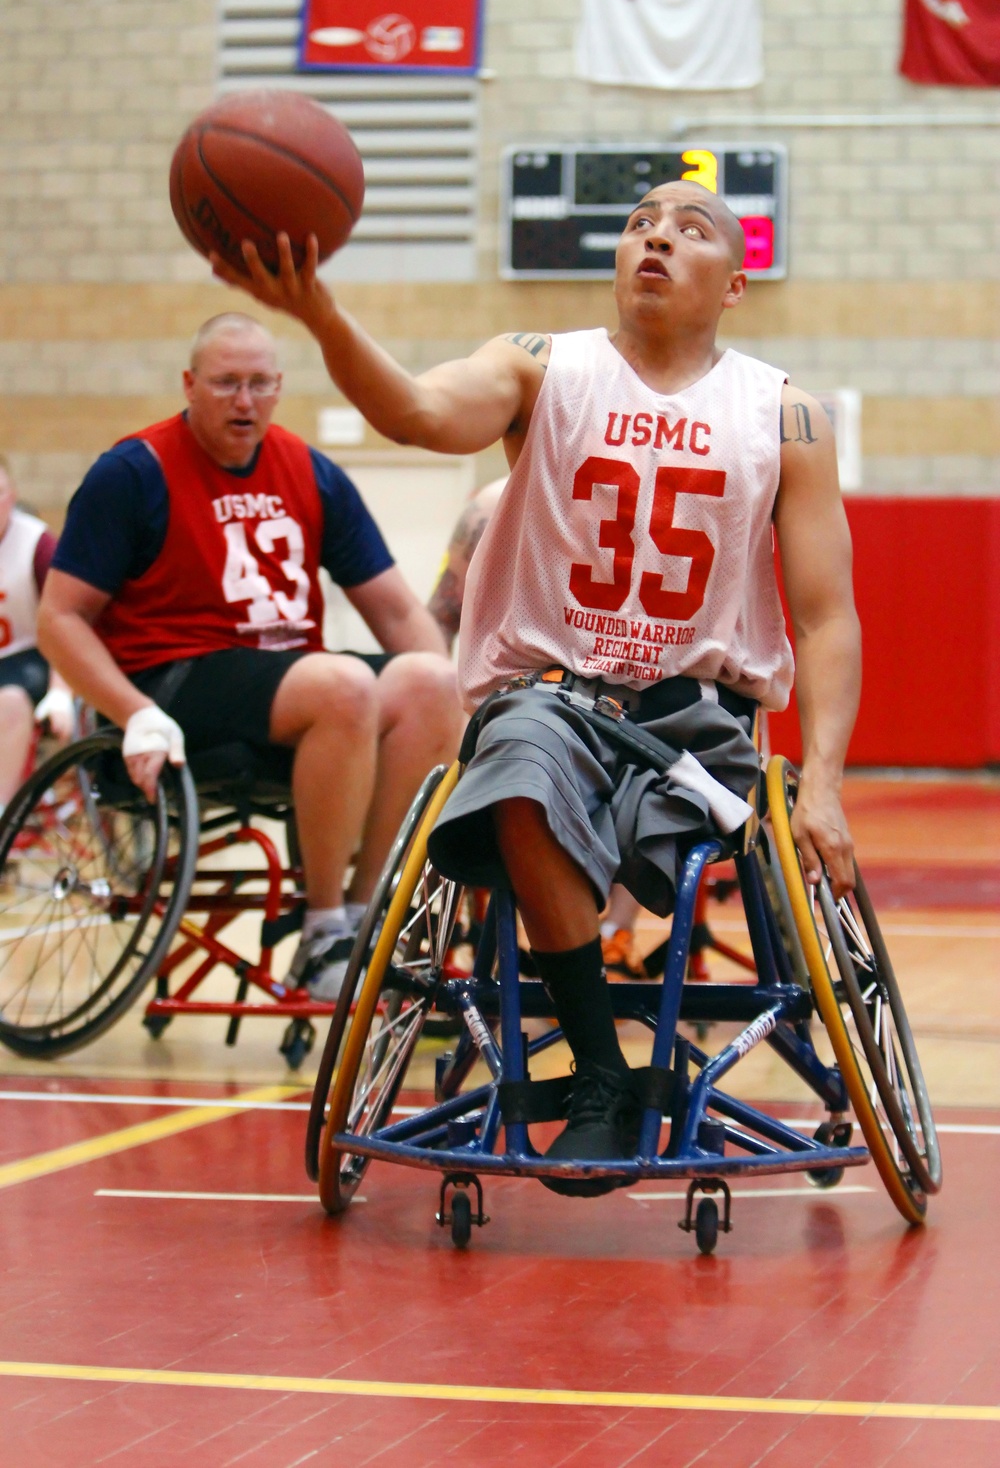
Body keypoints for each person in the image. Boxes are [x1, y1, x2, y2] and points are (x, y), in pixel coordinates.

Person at [212, 182, 860, 1186]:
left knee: (662, 830)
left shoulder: (786, 415)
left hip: (699, 719)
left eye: (689, 230)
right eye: (641, 221)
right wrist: (320, 314)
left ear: (734, 284)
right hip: (552, 698)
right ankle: (602, 1072)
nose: (655, 236)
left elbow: (823, 618)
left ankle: (613, 1025)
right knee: (516, 767)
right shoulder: (542, 365)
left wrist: (822, 779)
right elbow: (419, 413)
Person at [37, 313, 462, 999]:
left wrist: (460, 709)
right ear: (189, 385)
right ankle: (320, 931)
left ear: (280, 387)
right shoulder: (132, 473)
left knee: (433, 680)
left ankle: (363, 913)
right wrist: (132, 712)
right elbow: (59, 618)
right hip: (174, 677)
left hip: (288, 683)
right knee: (344, 683)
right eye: (227, 383)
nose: (244, 401)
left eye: (260, 384)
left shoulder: (310, 470)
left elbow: (396, 611)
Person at [429, 475, 649, 977]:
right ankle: (446, 928)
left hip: (590, 708)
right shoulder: (490, 503)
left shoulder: (643, 488)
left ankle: (610, 932)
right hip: (528, 704)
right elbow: (441, 620)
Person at [0, 458, 74, 807]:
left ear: (12, 494)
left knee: (10, 701)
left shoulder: (38, 545)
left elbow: (68, 621)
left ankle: (1, 809)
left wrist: (62, 694)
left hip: (33, 657)